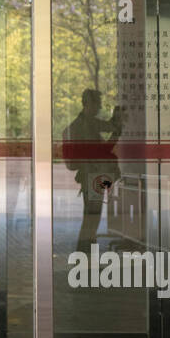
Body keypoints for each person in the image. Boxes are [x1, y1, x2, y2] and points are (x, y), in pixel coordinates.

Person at [63, 90, 123, 250]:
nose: (100, 107)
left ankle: (85, 252)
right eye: (97, 103)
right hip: (94, 175)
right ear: (88, 104)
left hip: (90, 175)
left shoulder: (82, 123)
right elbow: (104, 149)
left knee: (91, 218)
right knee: (92, 218)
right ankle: (85, 252)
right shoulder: (87, 124)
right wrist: (118, 127)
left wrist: (116, 127)